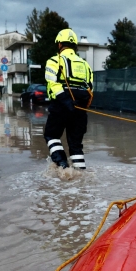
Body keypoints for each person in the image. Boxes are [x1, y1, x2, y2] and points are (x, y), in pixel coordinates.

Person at [43, 28, 94, 170]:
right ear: (74, 46)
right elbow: (90, 88)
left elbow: (52, 83)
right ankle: (81, 175)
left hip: (61, 105)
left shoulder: (54, 60)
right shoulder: (85, 65)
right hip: (80, 107)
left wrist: (65, 101)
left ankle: (62, 167)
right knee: (76, 145)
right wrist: (82, 107)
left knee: (51, 135)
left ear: (59, 44)